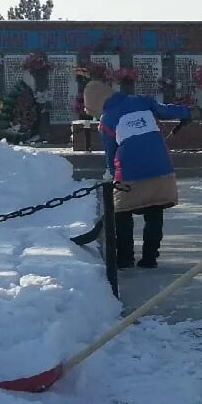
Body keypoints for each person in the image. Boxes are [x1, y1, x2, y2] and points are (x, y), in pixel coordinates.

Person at [84, 78, 190, 269]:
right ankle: (150, 258)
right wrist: (188, 112)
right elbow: (166, 110)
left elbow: (111, 151)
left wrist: (111, 173)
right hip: (161, 167)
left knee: (122, 214)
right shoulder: (142, 101)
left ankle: (125, 258)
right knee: (155, 212)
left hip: (129, 173)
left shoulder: (106, 120)